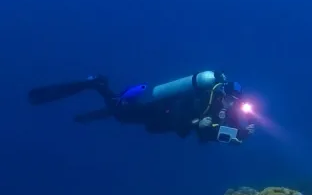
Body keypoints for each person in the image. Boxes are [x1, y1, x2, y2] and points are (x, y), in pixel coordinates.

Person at [28, 71, 256, 144]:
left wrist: (242, 132)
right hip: (158, 113)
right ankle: (98, 85)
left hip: (158, 119)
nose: (231, 106)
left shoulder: (217, 106)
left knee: (122, 114)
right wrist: (195, 122)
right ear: (222, 95)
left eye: (234, 103)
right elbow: (186, 120)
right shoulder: (202, 100)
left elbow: (209, 133)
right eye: (230, 101)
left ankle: (101, 111)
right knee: (122, 115)